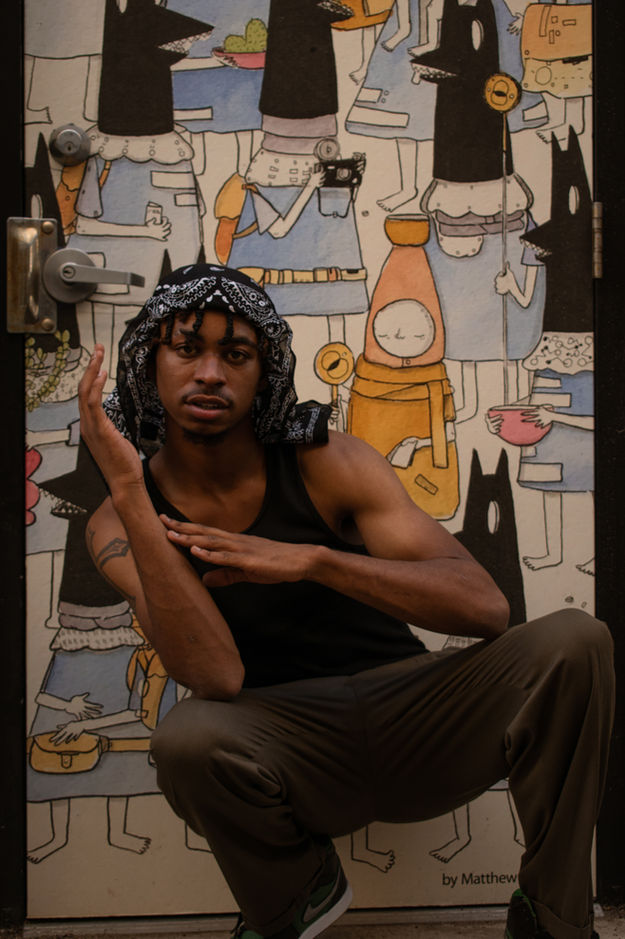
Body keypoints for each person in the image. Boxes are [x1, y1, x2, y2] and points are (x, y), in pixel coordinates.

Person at [78, 263, 614, 939]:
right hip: (287, 748)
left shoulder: (326, 459)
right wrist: (130, 491)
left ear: (263, 370)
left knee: (574, 639)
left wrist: (314, 560)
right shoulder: (112, 522)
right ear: (147, 362)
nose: (210, 372)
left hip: (416, 717)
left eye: (235, 353)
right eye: (187, 348)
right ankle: (294, 894)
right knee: (185, 737)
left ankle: (554, 916)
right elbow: (216, 677)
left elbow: (484, 609)